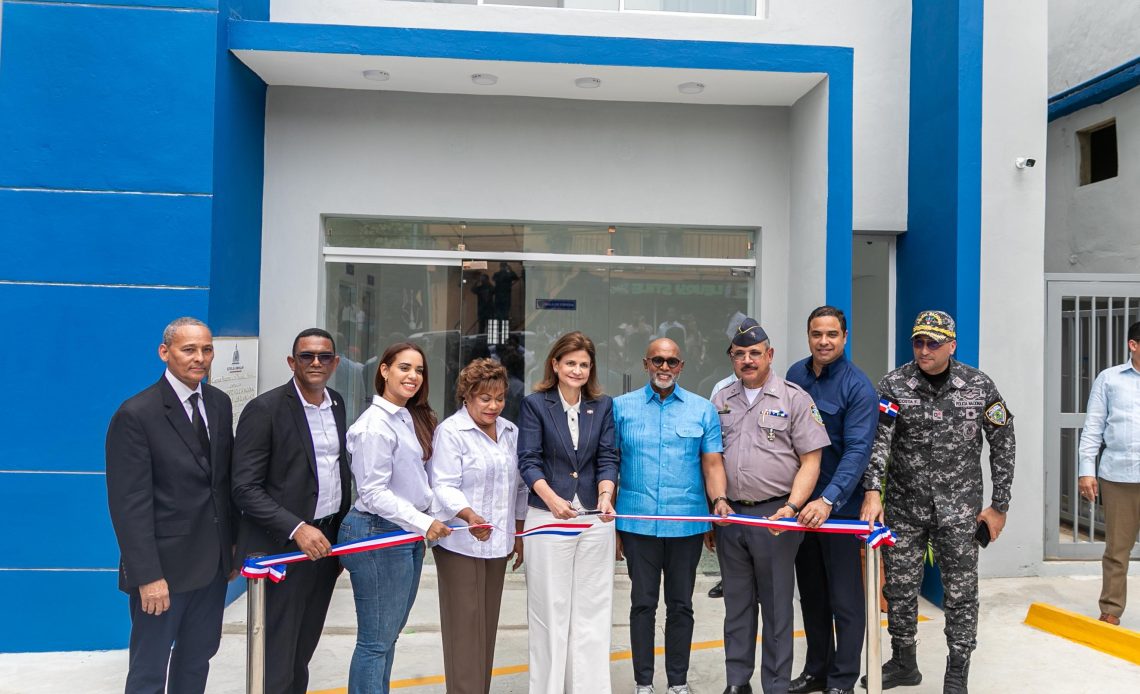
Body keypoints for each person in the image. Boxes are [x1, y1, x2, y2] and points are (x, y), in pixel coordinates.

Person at [860, 310, 1016, 693]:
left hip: (959, 510)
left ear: (951, 345)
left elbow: (1003, 442)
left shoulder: (978, 386)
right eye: (918, 341)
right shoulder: (895, 384)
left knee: (961, 592)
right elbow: (879, 440)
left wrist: (999, 505)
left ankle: (957, 669)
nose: (924, 349)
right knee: (898, 587)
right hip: (904, 507)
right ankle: (904, 661)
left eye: (932, 342)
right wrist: (872, 491)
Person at [105, 317, 235, 693]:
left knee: (197, 661)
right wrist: (147, 577)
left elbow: (221, 484)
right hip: (163, 573)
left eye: (206, 349)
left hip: (211, 569)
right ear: (165, 353)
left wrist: (231, 548)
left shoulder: (219, 403)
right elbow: (129, 505)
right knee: (149, 670)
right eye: (189, 349)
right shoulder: (136, 415)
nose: (200, 358)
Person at [711, 318, 830, 694]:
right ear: (732, 358)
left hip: (776, 515)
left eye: (755, 353)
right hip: (730, 517)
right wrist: (716, 502)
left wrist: (793, 508)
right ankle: (737, 682)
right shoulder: (720, 399)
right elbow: (710, 458)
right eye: (740, 354)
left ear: (770, 355)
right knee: (737, 606)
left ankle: (776, 685)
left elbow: (811, 460)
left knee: (777, 608)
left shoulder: (794, 398)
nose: (747, 360)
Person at [231, 328, 353, 693]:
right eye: (307, 356)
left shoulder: (337, 403)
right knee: (277, 655)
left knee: (302, 650)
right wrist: (297, 527)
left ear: (335, 363)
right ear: (291, 362)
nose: (316, 363)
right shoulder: (264, 409)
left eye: (324, 357)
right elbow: (244, 488)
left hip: (326, 545)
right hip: (283, 549)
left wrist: (341, 533)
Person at [614, 338, 731, 694]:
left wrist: (719, 504)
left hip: (686, 525)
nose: (665, 368)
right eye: (658, 361)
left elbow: (712, 464)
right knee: (643, 604)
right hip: (637, 524)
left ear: (682, 366)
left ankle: (678, 683)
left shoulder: (702, 410)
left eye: (672, 362)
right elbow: (610, 464)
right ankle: (643, 683)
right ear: (645, 363)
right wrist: (612, 524)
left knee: (681, 605)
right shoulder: (620, 408)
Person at [338, 342, 453, 694]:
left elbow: (416, 483)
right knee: (375, 642)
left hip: (403, 534)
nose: (413, 376)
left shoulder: (407, 417)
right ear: (384, 370)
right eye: (404, 368)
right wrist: (424, 523)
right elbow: (373, 493)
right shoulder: (374, 426)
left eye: (419, 370)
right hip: (376, 534)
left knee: (387, 636)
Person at [517, 331, 619, 693]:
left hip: (595, 518)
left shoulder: (603, 405)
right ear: (556, 365)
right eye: (571, 363)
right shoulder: (534, 404)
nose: (577, 370)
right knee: (550, 613)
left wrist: (606, 496)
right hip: (548, 518)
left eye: (584, 364)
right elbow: (528, 461)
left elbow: (608, 457)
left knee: (593, 611)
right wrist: (552, 499)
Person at [784, 307, 877, 694]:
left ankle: (842, 680)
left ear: (845, 336)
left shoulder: (858, 387)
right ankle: (816, 671)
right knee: (812, 595)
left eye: (832, 334)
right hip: (801, 507)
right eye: (817, 333)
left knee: (845, 600)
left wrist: (828, 500)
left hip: (839, 510)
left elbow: (857, 452)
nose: (824, 341)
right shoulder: (794, 376)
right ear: (808, 335)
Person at [429, 358, 528, 693]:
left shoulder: (511, 431)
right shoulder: (451, 432)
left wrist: (518, 531)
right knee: (464, 629)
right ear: (466, 397)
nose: (493, 406)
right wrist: (469, 515)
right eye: (485, 398)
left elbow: (520, 486)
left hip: (497, 544)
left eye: (499, 398)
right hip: (460, 544)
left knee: (485, 630)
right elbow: (442, 485)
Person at [1077, 319, 1140, 627]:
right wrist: (1086, 470)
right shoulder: (1110, 379)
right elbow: (1093, 427)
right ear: (1133, 345)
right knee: (1117, 548)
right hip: (1119, 477)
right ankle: (1111, 610)